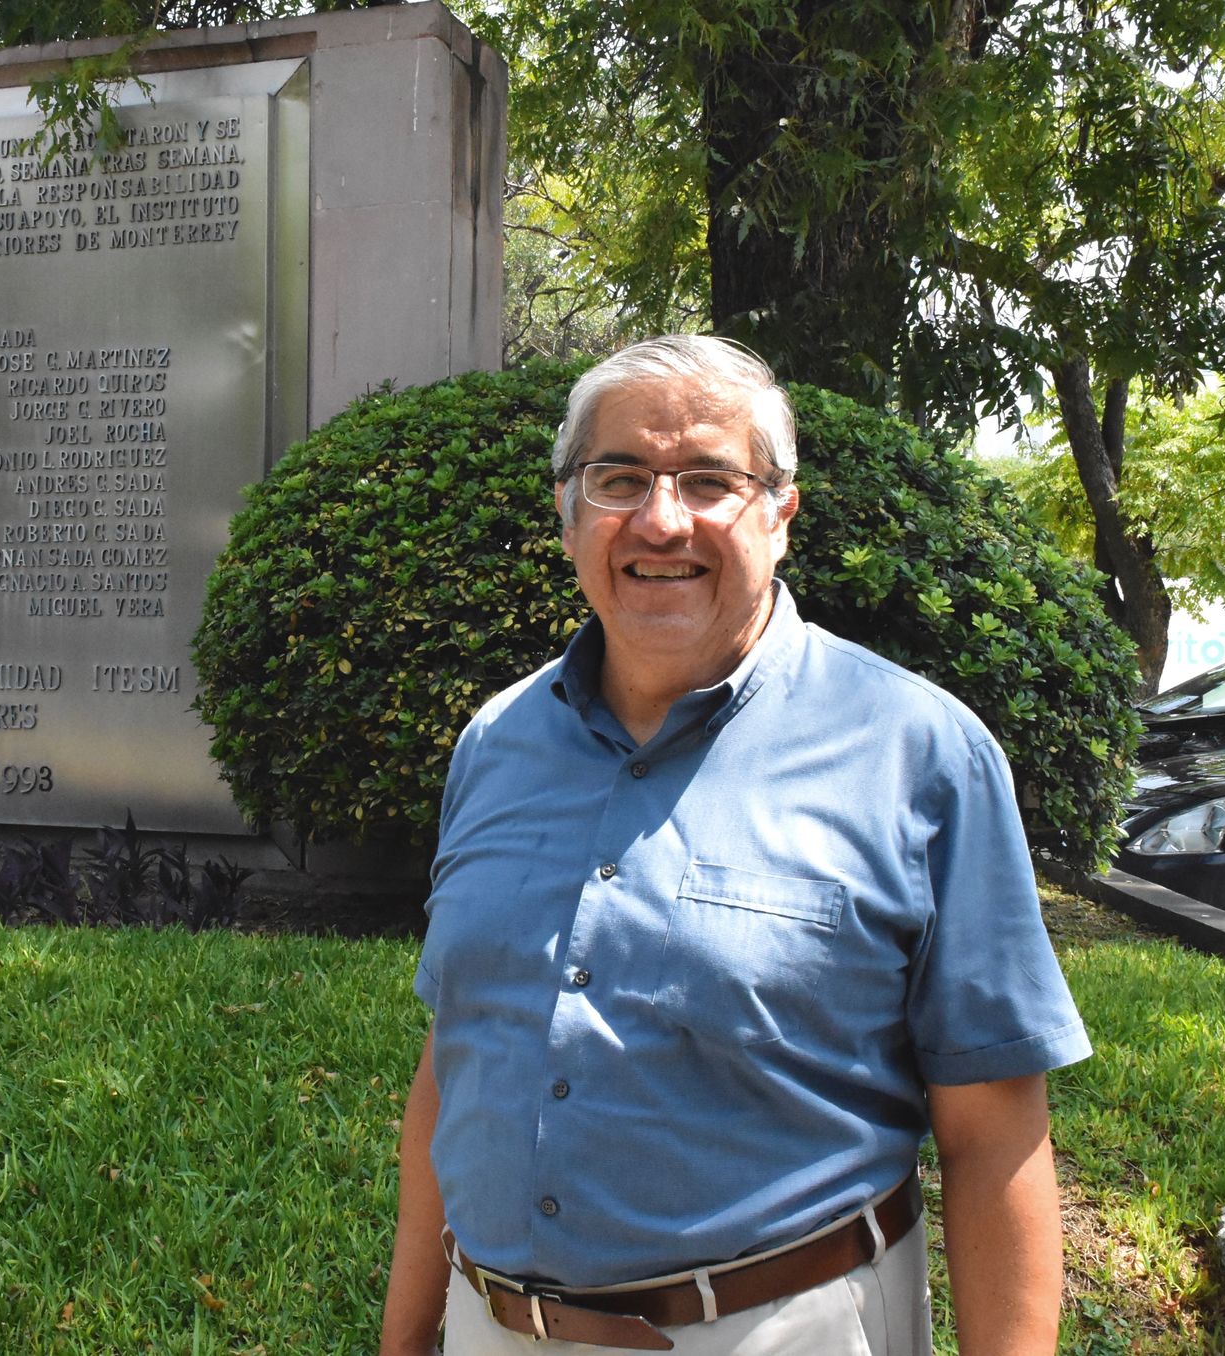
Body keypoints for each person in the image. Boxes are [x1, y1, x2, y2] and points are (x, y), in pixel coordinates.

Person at [379, 335, 1092, 1355]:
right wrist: (408, 1336)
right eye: (619, 477)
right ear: (568, 511)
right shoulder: (495, 744)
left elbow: (993, 1133)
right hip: (488, 1324)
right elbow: (458, 1059)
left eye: (710, 480)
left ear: (780, 512)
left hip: (782, 1327)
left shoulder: (919, 752)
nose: (661, 520)